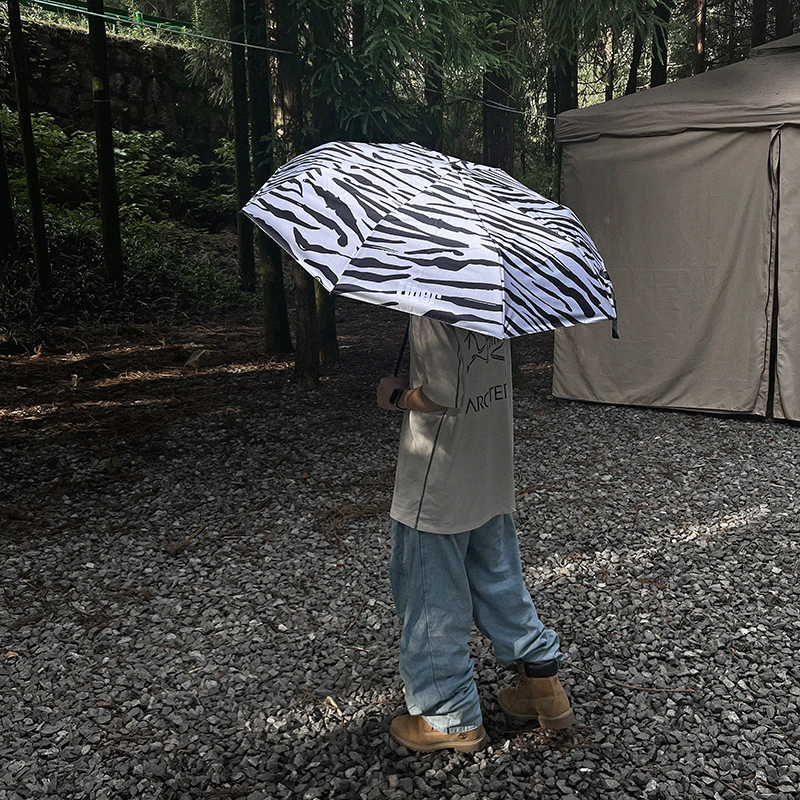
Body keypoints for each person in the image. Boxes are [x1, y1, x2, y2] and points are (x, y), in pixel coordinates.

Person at [376, 314, 575, 753]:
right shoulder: (489, 303)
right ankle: (543, 687)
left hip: (439, 483)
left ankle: (449, 717)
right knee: (498, 579)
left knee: (430, 599)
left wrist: (395, 395)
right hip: (488, 467)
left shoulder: (430, 302)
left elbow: (440, 393)